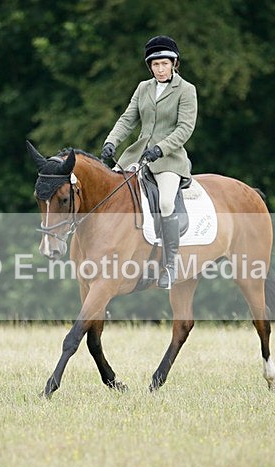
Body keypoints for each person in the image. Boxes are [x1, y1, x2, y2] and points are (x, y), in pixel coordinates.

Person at [101, 35, 197, 289]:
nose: (160, 69)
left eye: (165, 63)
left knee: (166, 202)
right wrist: (111, 142)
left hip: (169, 159)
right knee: (112, 195)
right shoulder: (143, 88)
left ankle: (171, 264)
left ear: (174, 63)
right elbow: (127, 118)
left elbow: (185, 128)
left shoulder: (186, 90)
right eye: (155, 65)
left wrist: (160, 148)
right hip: (137, 155)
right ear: (150, 67)